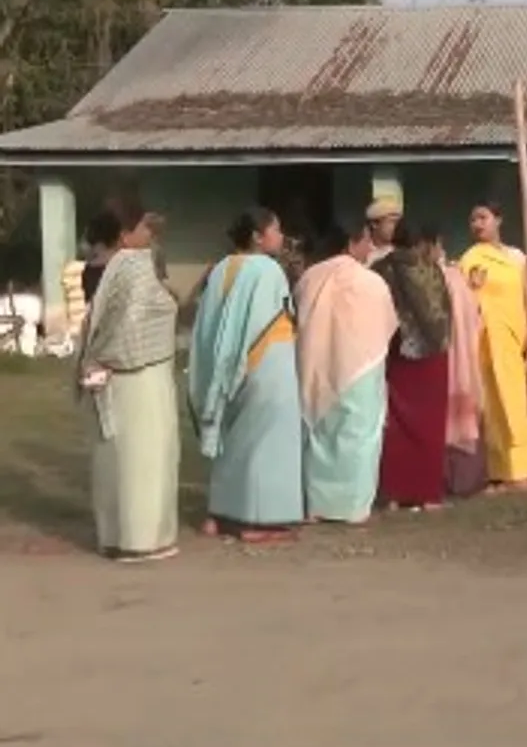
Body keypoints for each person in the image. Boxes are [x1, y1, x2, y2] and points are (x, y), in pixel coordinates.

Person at [188, 207, 305, 543]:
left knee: (231, 439)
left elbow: (208, 325)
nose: (281, 237)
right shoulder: (267, 270)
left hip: (225, 368)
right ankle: (257, 520)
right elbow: (270, 319)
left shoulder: (221, 267)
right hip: (264, 364)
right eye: (276, 229)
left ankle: (220, 514)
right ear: (257, 235)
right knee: (266, 442)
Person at [76, 196, 181, 562]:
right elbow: (149, 313)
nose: (149, 235)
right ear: (124, 235)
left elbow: (96, 320)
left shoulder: (93, 267)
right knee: (144, 457)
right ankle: (142, 539)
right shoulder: (134, 267)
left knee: (111, 455)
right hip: (139, 371)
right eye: (142, 229)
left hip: (101, 368)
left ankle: (113, 536)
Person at [294, 219, 399, 525]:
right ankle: (352, 508)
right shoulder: (369, 281)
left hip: (317, 363)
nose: (370, 248)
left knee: (319, 432)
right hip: (361, 366)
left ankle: (317, 504)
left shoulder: (309, 278)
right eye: (367, 241)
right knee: (359, 435)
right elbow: (387, 322)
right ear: (353, 242)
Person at [459, 203, 527, 494]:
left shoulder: (517, 258)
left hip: (514, 339)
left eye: (483, 217)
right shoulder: (471, 258)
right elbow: (466, 296)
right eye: (473, 219)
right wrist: (471, 286)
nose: (477, 224)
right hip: (487, 340)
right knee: (493, 406)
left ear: (498, 220)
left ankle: (520, 470)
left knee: (517, 404)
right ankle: (500, 473)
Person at [371, 220, 454, 511]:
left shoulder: (381, 269)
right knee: (429, 424)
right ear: (424, 243)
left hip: (394, 350)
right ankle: (426, 492)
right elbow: (441, 316)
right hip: (431, 355)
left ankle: (394, 491)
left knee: (396, 421)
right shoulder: (430, 271)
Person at [440, 235, 488, 499]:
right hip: (463, 360)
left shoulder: (435, 280)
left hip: (442, 358)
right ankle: (464, 481)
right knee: (464, 420)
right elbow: (476, 319)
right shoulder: (458, 280)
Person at [365, 193, 403, 267]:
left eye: (397, 222)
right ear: (374, 224)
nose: (395, 227)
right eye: (391, 222)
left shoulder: (399, 255)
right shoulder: (361, 252)